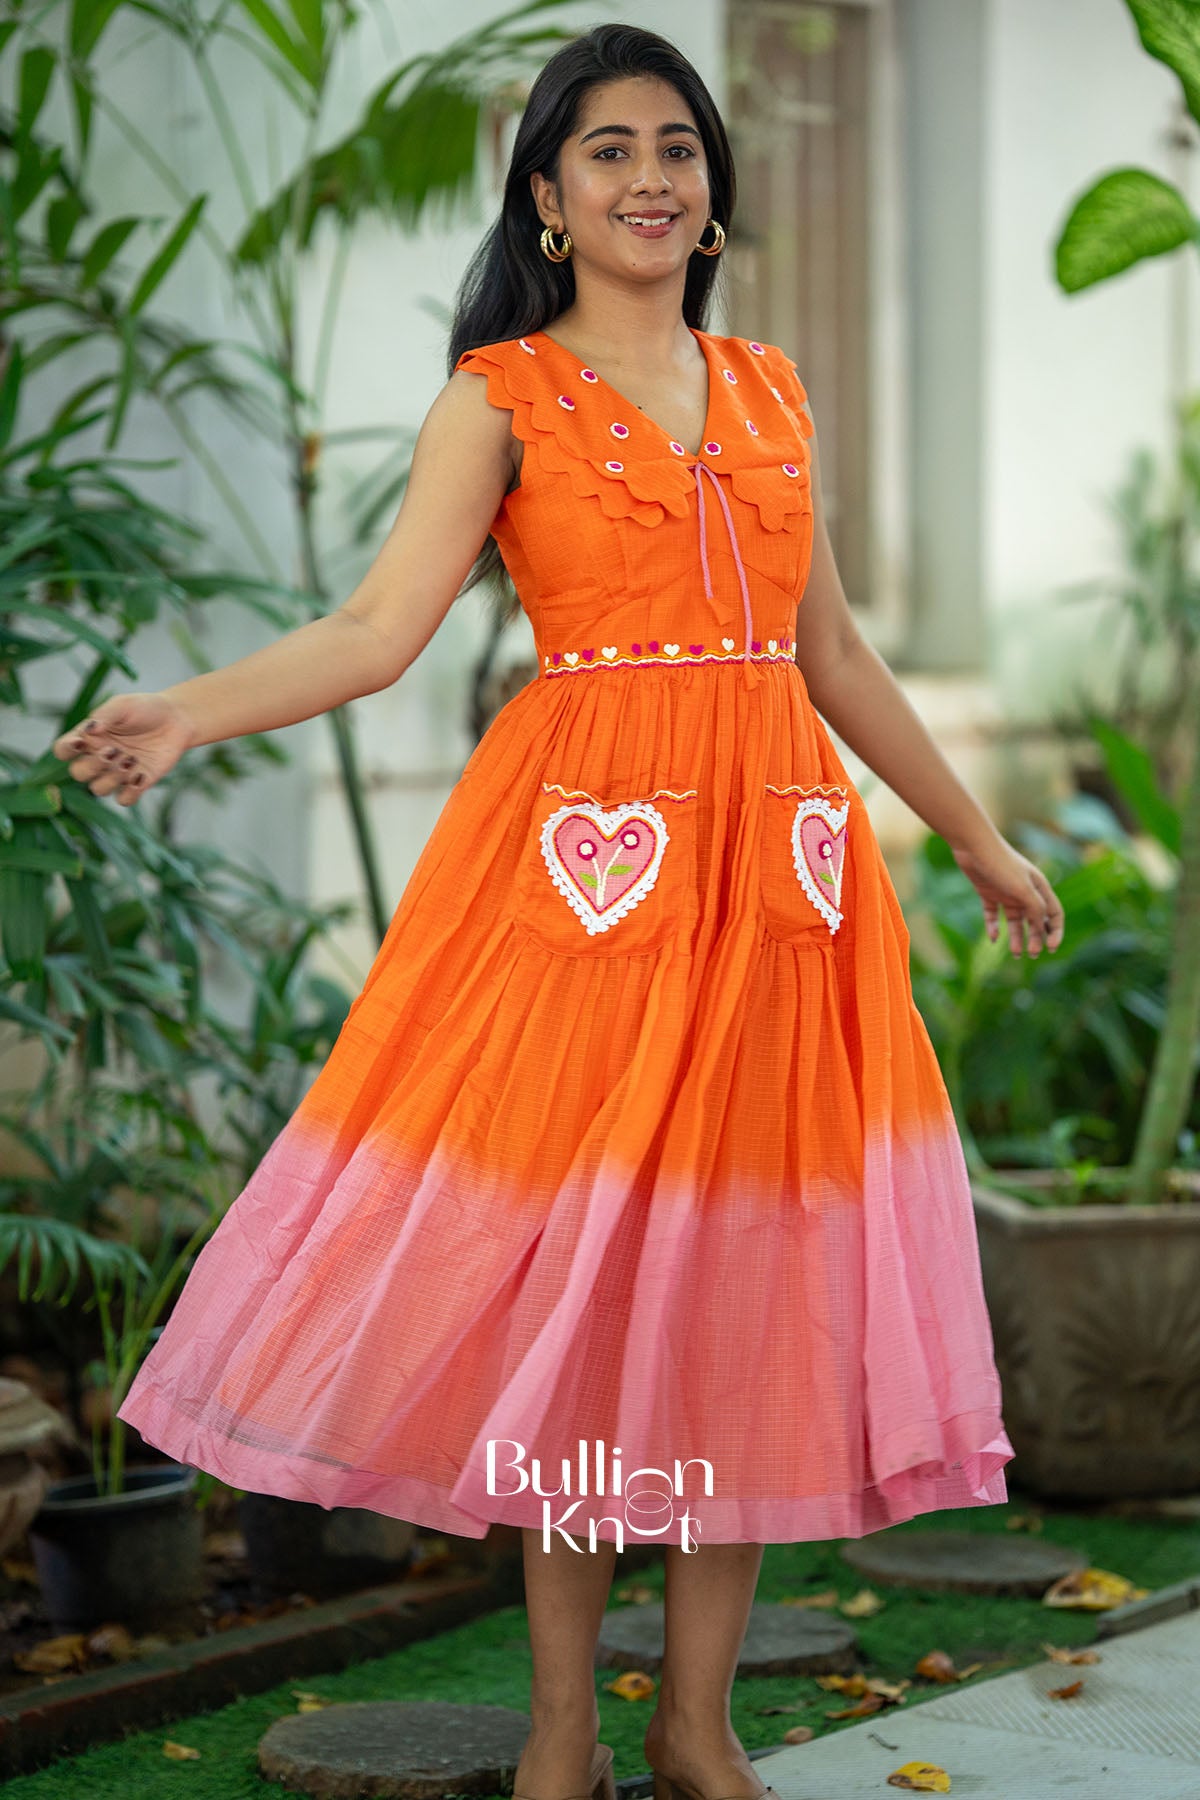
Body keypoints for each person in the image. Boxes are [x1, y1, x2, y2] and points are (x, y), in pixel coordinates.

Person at [51, 23, 1063, 1800]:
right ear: (547, 195)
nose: (650, 176)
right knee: (593, 1303)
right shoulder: (500, 394)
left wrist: (973, 833)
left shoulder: (771, 390)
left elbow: (829, 654)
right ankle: (560, 1728)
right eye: (608, 151)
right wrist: (189, 709)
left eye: (678, 147)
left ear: (715, 200)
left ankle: (695, 1721)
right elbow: (379, 632)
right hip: (592, 895)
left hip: (786, 896)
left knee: (753, 1289)